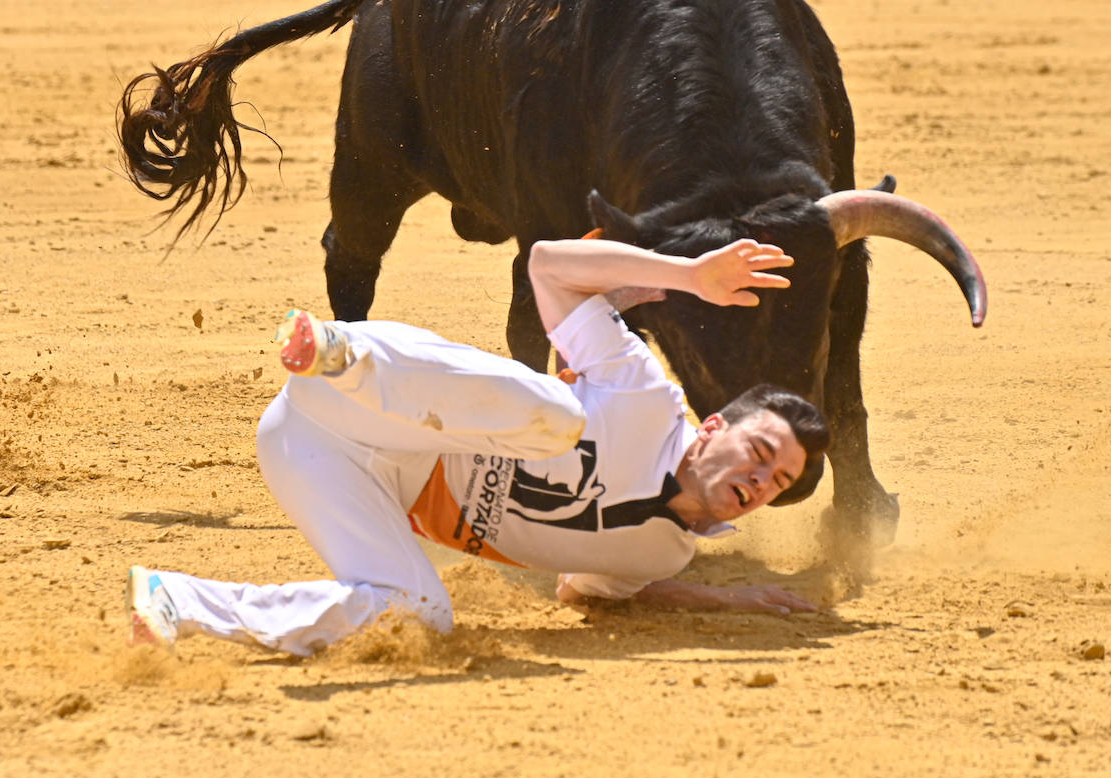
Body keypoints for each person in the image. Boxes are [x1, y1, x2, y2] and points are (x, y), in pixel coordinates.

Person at [126, 236, 830, 656]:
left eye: (777, 482)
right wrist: (688, 275)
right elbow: (550, 264)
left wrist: (726, 599)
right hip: (370, 394)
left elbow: (591, 595)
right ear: (713, 426)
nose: (763, 478)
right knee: (559, 411)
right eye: (762, 451)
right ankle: (341, 349)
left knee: (418, 613)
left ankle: (178, 600)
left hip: (314, 458)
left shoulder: (661, 552)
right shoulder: (645, 395)